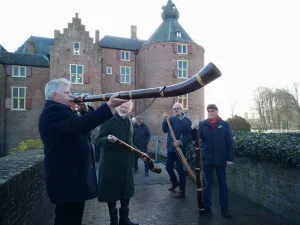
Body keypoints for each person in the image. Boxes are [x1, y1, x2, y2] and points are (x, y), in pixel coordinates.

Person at [38, 78, 128, 225]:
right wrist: (109, 106)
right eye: (67, 92)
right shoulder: (53, 112)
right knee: (67, 219)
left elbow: (81, 127)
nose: (71, 96)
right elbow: (79, 125)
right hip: (65, 178)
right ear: (55, 96)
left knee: (72, 218)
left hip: (70, 178)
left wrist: (85, 109)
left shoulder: (61, 111)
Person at [95, 100, 138, 225]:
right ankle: (113, 221)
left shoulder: (129, 122)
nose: (124, 109)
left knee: (127, 191)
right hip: (111, 163)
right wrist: (107, 140)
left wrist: (141, 154)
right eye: (122, 106)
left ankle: (124, 220)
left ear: (129, 109)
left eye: (126, 107)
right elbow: (98, 140)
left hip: (127, 163)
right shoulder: (108, 120)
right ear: (117, 107)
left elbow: (130, 143)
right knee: (112, 192)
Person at [192, 104, 234, 218]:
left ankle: (224, 209)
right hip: (207, 159)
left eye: (212, 110)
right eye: (208, 111)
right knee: (207, 185)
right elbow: (194, 138)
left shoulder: (224, 125)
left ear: (217, 112)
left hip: (221, 159)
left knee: (223, 184)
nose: (210, 112)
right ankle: (207, 207)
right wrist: (193, 128)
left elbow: (230, 142)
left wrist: (230, 159)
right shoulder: (202, 124)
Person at [161, 102, 193, 198]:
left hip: (180, 149)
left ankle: (182, 191)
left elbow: (189, 135)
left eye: (178, 108)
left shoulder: (187, 121)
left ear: (181, 109)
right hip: (171, 148)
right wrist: (163, 120)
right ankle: (175, 182)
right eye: (174, 109)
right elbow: (165, 130)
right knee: (168, 167)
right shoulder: (171, 119)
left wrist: (180, 142)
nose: (176, 110)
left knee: (180, 170)